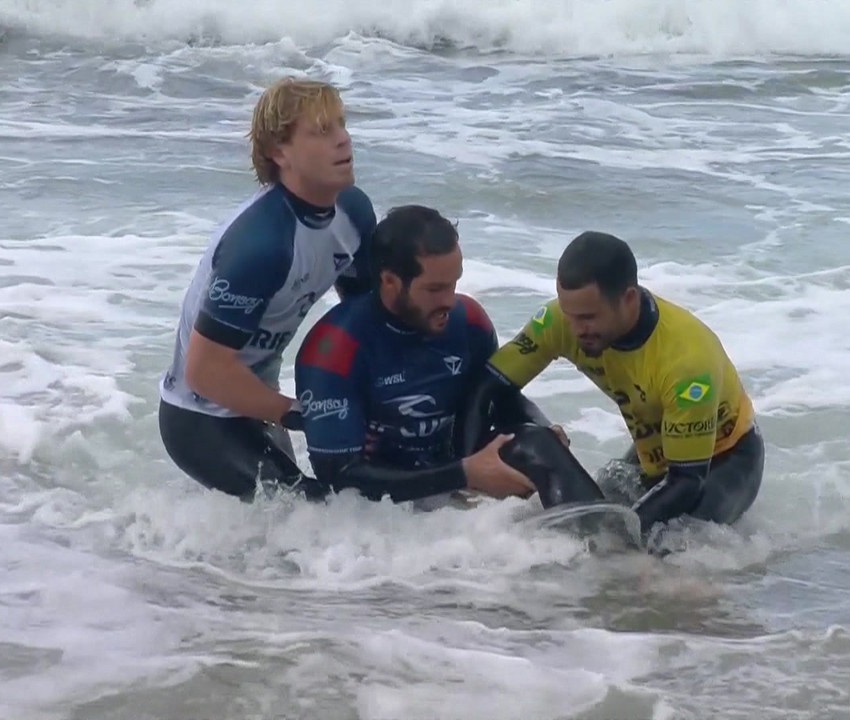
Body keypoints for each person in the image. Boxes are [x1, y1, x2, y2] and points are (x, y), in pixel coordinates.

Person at [292, 205, 607, 507]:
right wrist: (463, 474)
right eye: (435, 289)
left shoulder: (468, 321)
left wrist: (540, 426)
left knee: (540, 443)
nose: (449, 300)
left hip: (459, 475)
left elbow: (498, 399)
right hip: (384, 505)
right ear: (389, 281)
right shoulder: (335, 349)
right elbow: (339, 475)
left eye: (454, 284)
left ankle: (611, 548)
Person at [157, 76, 377, 500]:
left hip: (257, 401)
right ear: (280, 152)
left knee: (335, 508)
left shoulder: (353, 213)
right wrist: (296, 414)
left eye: (342, 124)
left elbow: (365, 322)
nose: (343, 141)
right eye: (322, 131)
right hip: (200, 416)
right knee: (309, 514)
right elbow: (204, 372)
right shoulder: (262, 245)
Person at [468, 231, 765, 540]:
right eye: (569, 315)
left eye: (588, 318)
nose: (576, 329)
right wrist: (472, 471)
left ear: (629, 299)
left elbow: (686, 482)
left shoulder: (687, 363)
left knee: (668, 552)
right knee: (581, 528)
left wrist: (616, 537)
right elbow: (486, 390)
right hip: (657, 450)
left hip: (724, 460)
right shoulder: (561, 321)